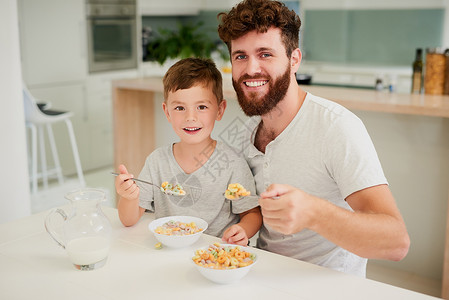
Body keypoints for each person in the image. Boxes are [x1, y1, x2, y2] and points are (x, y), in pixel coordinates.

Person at [217, 0, 410, 276]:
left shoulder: (337, 128)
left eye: (265, 54)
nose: (250, 69)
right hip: (261, 277)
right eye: (240, 56)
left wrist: (313, 213)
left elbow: (396, 243)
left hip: (330, 287)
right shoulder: (242, 131)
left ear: (294, 60)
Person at [115, 57, 262, 246]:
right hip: (169, 254)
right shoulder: (157, 161)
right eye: (179, 108)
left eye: (201, 107)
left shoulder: (232, 163)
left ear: (219, 110)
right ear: (167, 112)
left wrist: (243, 230)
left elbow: (251, 213)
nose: (190, 117)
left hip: (214, 256)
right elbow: (128, 220)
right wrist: (129, 197)